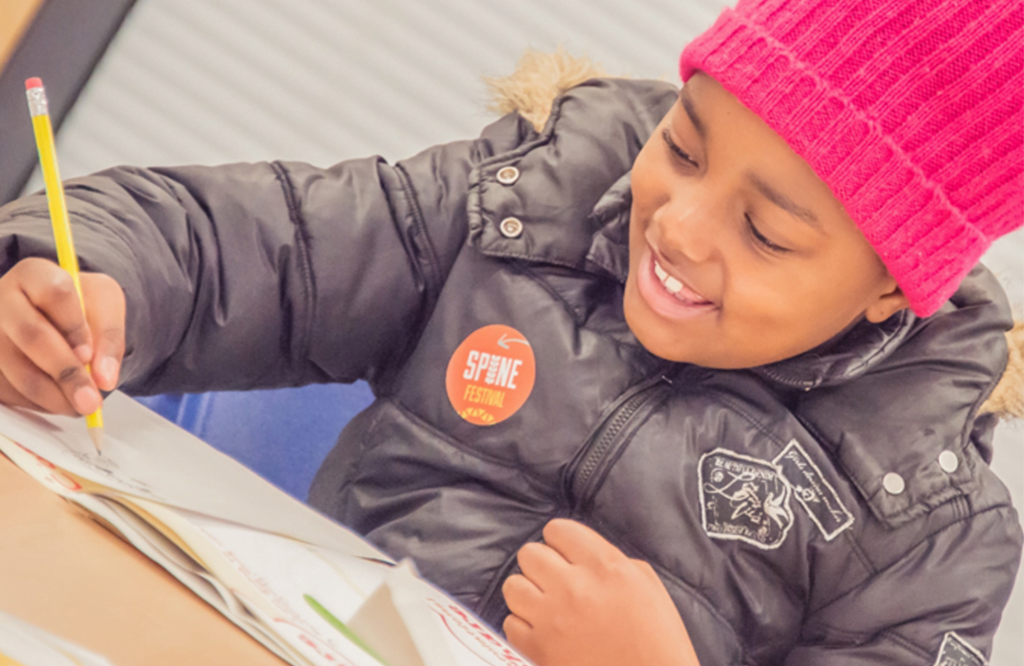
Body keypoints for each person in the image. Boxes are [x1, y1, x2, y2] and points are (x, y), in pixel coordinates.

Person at [0, 0, 1021, 663]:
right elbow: (274, 242)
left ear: (891, 289)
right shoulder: (534, 200)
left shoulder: (928, 537)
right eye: (685, 144)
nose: (675, 225)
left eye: (763, 232)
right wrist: (89, 272)